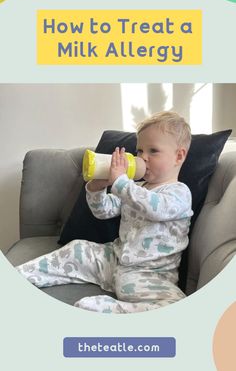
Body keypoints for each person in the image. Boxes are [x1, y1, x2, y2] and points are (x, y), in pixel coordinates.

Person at [16, 111, 193, 314]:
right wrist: (97, 188)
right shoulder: (137, 187)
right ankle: (21, 276)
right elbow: (104, 211)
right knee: (77, 249)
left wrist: (121, 182)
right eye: (140, 150)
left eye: (153, 151)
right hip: (114, 260)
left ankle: (113, 309)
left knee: (176, 305)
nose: (142, 157)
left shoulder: (179, 192)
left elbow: (156, 208)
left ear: (179, 156)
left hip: (150, 275)